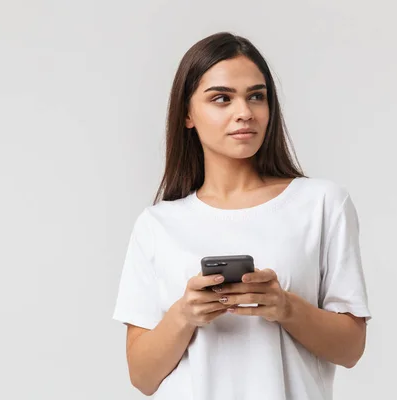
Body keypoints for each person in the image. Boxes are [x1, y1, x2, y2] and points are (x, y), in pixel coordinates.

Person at [112, 31, 372, 400]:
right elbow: (142, 376)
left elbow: (351, 349)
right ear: (187, 113)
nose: (245, 113)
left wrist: (285, 307)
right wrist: (184, 315)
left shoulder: (322, 203)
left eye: (256, 96)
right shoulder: (157, 225)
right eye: (222, 98)